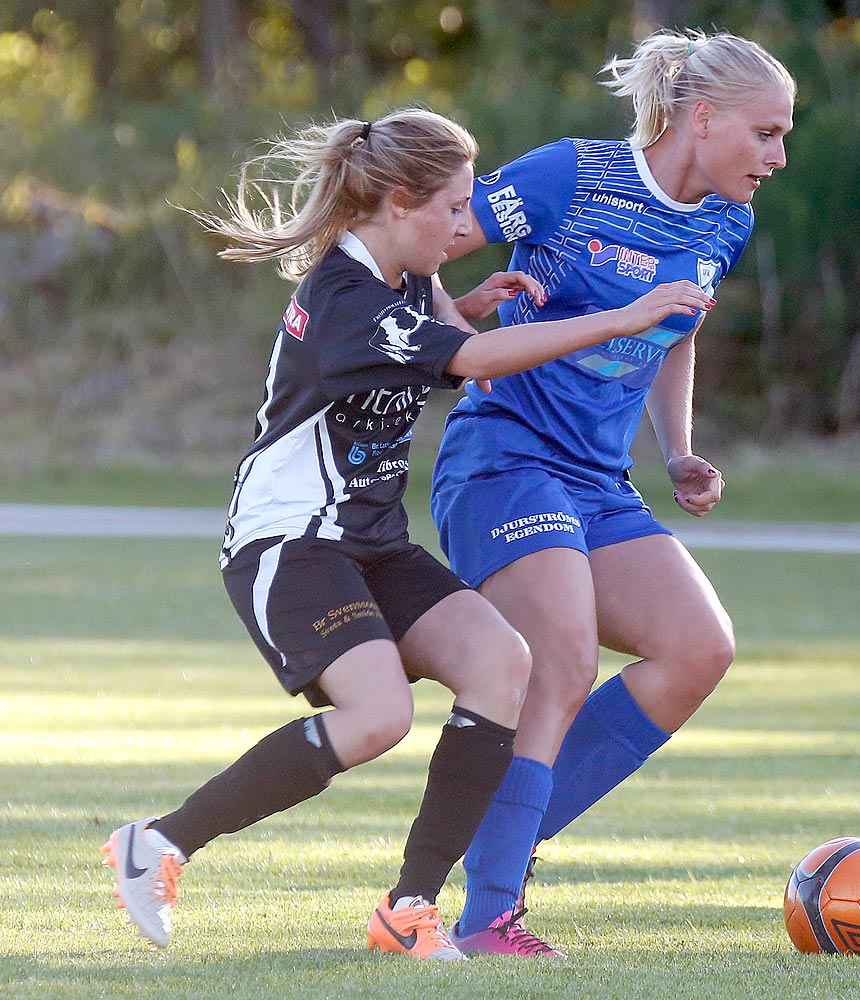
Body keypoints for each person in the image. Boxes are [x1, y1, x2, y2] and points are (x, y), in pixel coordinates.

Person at [101, 107, 713, 961]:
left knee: (502, 663)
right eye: (454, 210)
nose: (468, 227)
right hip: (291, 543)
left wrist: (466, 303)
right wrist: (620, 317)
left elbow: (447, 341)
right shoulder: (347, 296)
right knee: (378, 716)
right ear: (397, 202)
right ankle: (160, 843)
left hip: (372, 540)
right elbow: (472, 363)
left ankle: (410, 909)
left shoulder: (404, 282)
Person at [429, 28, 796, 955]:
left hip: (598, 478)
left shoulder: (724, 221)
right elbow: (422, 242)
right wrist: (451, 331)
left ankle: (496, 834)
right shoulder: (569, 175)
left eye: (783, 136)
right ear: (701, 117)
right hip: (502, 456)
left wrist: (675, 451)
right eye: (764, 133)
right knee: (561, 653)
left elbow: (676, 331)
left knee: (698, 649)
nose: (777, 157)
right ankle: (488, 918)